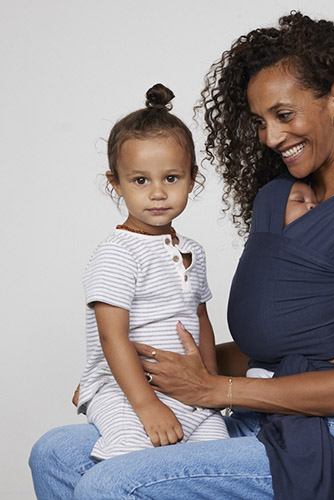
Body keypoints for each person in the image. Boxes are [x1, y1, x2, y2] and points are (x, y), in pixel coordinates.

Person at [29, 12, 334, 500]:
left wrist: (216, 391)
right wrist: (129, 374)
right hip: (255, 417)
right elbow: (266, 347)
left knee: (111, 484)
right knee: (53, 454)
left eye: (284, 114)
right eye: (260, 122)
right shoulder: (275, 197)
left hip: (329, 436)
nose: (273, 138)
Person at [75, 83, 229, 461]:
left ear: (192, 178)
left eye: (171, 178)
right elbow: (112, 337)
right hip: (123, 390)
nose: (157, 193)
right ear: (116, 183)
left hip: (186, 388)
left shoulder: (193, 250)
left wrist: (208, 383)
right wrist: (147, 406)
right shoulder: (117, 252)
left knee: (221, 459)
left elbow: (200, 319)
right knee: (131, 456)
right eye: (140, 180)